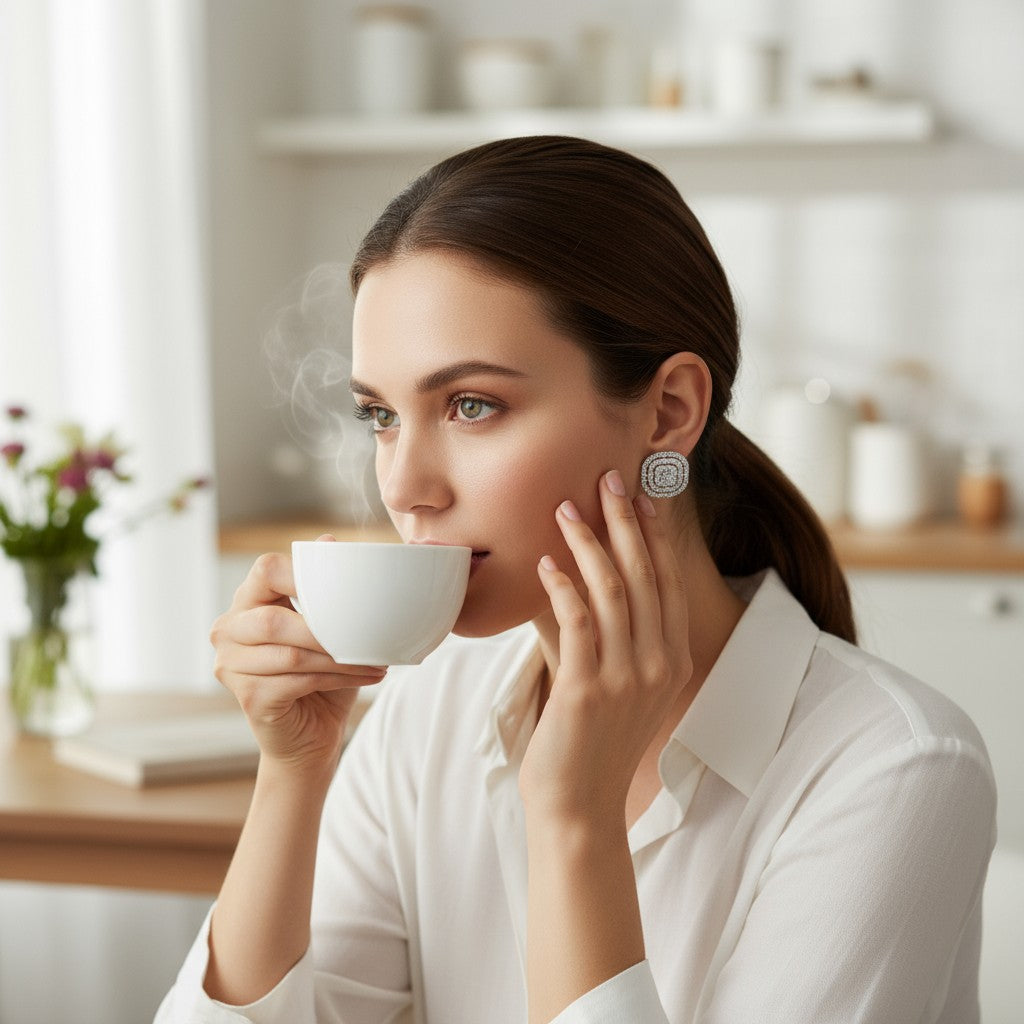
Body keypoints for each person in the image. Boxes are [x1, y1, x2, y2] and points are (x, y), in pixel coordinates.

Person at [156, 136, 996, 1024]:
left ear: (669, 413)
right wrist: (292, 775)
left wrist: (574, 818)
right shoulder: (430, 705)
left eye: (472, 405)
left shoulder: (895, 768)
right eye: (381, 416)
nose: (401, 486)